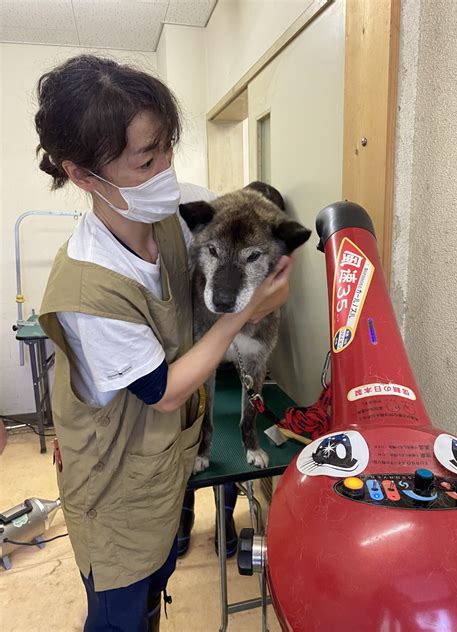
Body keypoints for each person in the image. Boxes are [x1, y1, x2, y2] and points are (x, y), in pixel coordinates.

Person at [35, 55, 294, 632]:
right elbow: (164, 391)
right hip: (116, 486)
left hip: (166, 464)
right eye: (146, 159)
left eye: (167, 149)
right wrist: (246, 311)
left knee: (154, 597)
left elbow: (246, 221)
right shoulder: (88, 287)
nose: (165, 172)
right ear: (82, 175)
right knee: (120, 614)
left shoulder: (175, 220)